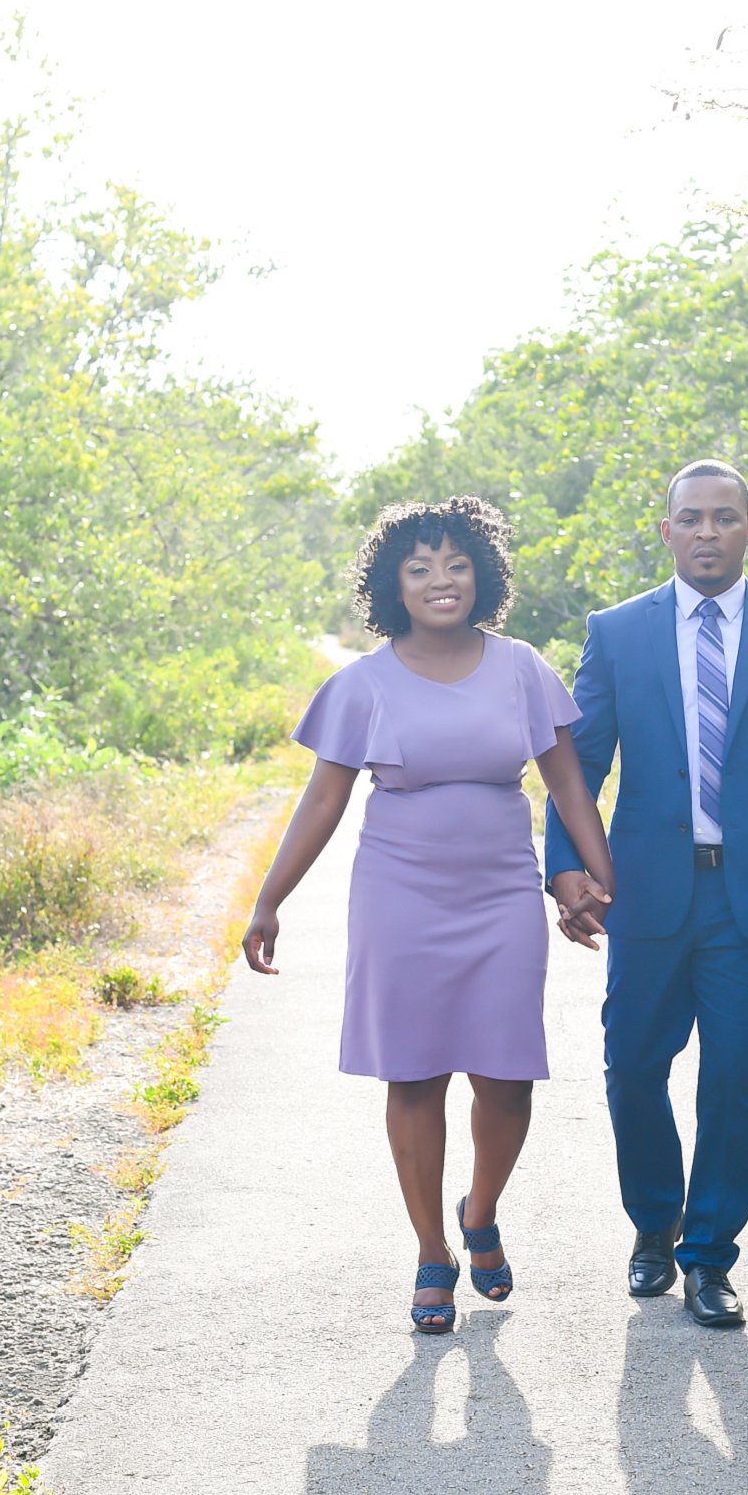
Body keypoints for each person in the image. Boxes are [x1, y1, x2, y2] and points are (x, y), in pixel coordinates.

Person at [242, 496, 615, 1335]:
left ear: (480, 574)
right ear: (392, 586)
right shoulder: (363, 683)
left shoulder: (521, 667)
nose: (440, 580)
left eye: (454, 564)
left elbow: (565, 782)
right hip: (399, 893)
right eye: (419, 568)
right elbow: (322, 802)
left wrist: (600, 877)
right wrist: (270, 898)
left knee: (506, 1071)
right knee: (411, 1073)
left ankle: (479, 1210)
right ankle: (431, 1251)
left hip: (499, 893)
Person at [543, 460, 748, 1327]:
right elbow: (580, 764)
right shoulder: (617, 632)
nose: (707, 531)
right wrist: (566, 866)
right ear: (666, 529)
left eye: (724, 517)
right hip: (644, 894)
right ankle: (654, 1224)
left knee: (732, 1082)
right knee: (633, 1065)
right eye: (691, 518)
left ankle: (710, 1255)